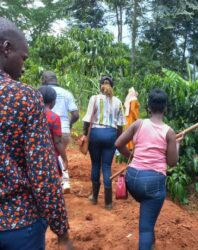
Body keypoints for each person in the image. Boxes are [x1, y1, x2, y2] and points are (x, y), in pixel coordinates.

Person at [0, 17, 72, 249]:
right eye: (23, 58)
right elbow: (42, 173)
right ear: (6, 48)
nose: (23, 66)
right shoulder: (23, 96)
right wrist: (61, 231)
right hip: (18, 223)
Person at [115, 88, 183, 250]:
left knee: (147, 215)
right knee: (145, 228)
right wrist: (177, 144)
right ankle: (148, 241)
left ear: (148, 106)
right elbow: (172, 162)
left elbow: (118, 144)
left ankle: (151, 243)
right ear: (165, 107)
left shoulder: (138, 124)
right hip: (151, 183)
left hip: (132, 179)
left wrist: (131, 156)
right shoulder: (169, 132)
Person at [82, 76, 125, 210]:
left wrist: (84, 134)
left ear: (100, 86)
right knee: (106, 167)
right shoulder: (118, 102)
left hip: (95, 134)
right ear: (112, 86)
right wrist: (117, 140)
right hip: (110, 135)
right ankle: (108, 203)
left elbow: (87, 119)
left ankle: (94, 197)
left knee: (95, 164)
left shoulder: (94, 99)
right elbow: (120, 125)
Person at [42, 71, 79, 193]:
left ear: (44, 80)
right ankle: (65, 181)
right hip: (63, 129)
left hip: (43, 128)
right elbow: (75, 114)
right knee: (59, 154)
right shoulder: (66, 93)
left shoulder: (40, 92)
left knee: (46, 156)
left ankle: (49, 182)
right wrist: (68, 124)